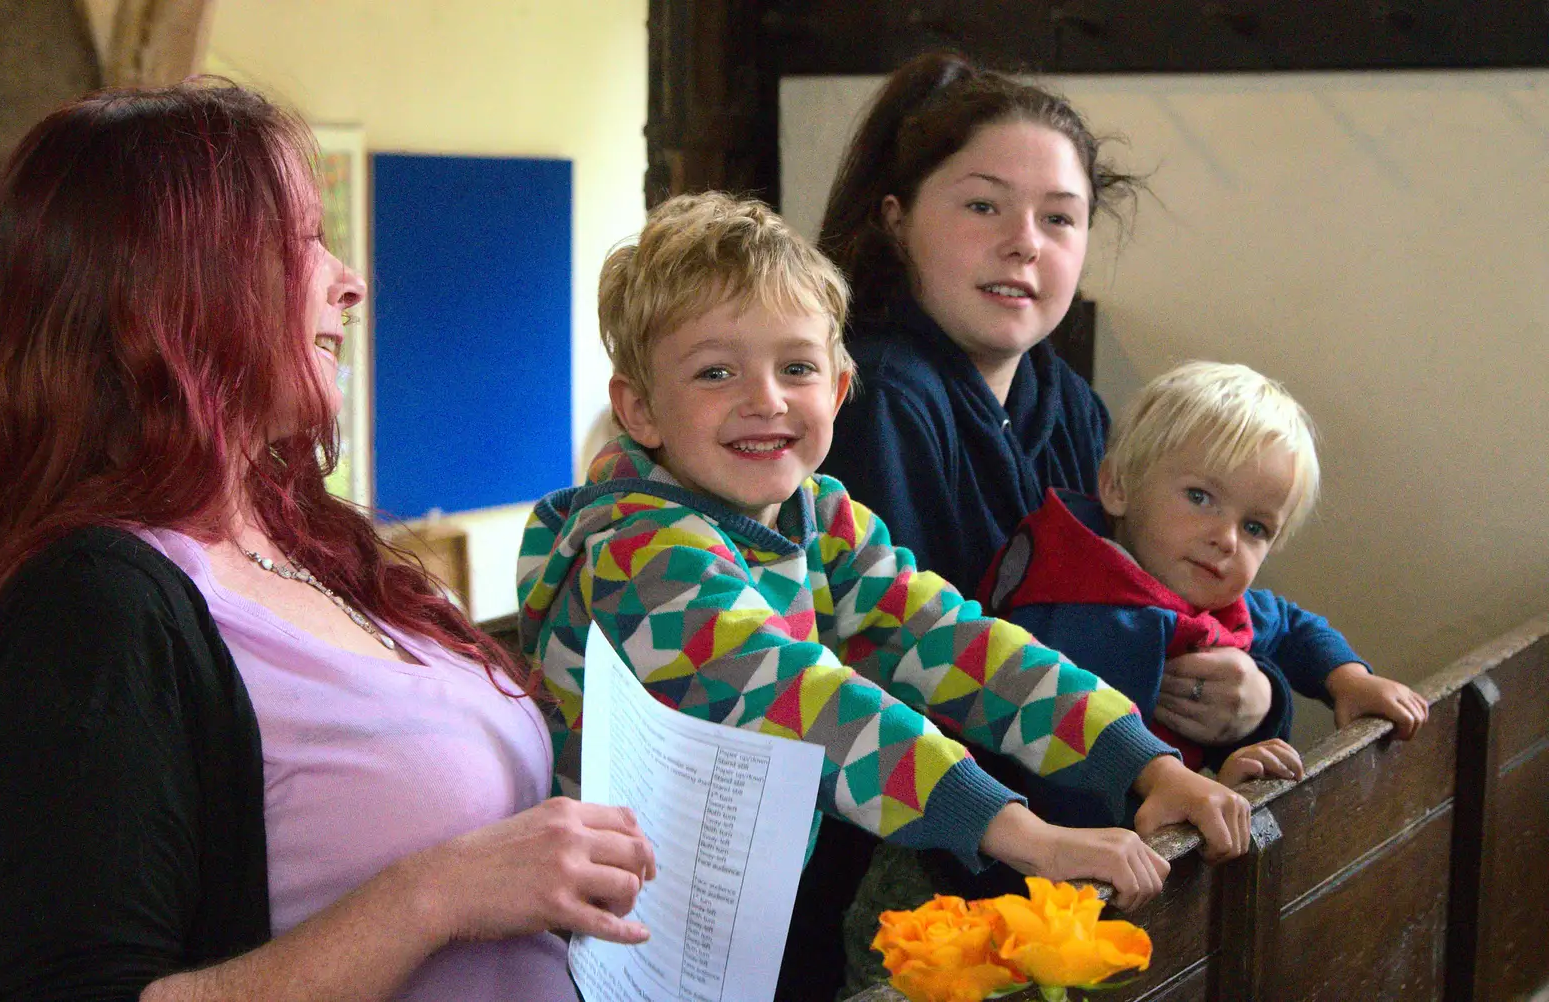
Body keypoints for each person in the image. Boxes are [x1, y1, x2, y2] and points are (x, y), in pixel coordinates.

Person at [0, 82, 655, 1001]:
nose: (350, 281)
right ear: (172, 289)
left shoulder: (311, 544)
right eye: (300, 243)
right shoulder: (91, 603)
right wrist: (431, 895)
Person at [515, 192, 1256, 995]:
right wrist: (1024, 835)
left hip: (738, 906)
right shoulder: (637, 551)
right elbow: (799, 701)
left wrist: (1143, 762)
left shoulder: (820, 514)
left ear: (835, 392)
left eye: (795, 367)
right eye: (715, 371)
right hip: (606, 944)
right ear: (640, 410)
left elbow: (953, 642)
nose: (765, 398)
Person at [817, 52, 1282, 754]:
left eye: (1059, 219)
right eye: (983, 206)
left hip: (1085, 778)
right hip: (933, 814)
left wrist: (1256, 694)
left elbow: (1160, 588)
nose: (1024, 244)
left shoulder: (1067, 401)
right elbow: (918, 673)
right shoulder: (879, 394)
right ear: (896, 219)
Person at [981, 361, 1428, 800]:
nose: (1227, 539)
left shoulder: (1193, 584)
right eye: (1201, 497)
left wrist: (1350, 681)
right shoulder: (1064, 608)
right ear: (1118, 487)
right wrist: (1204, 788)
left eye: (1255, 528)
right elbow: (1066, 773)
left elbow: (1292, 626)